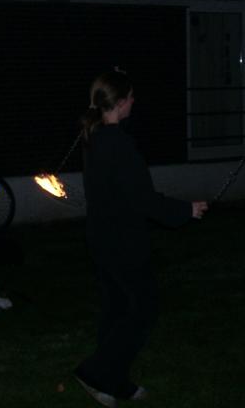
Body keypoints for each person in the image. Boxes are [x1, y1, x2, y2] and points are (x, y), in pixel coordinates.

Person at [75, 69, 208, 407]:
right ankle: (95, 371)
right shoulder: (117, 144)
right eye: (131, 97)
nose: (135, 102)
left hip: (103, 237)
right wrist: (186, 210)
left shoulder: (96, 137)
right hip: (121, 241)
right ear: (120, 103)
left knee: (117, 308)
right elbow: (142, 199)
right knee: (143, 308)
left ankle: (114, 380)